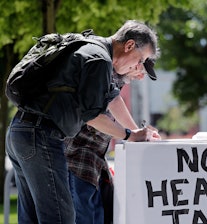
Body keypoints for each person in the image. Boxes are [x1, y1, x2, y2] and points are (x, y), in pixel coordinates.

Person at [6, 20, 159, 224]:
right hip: (42, 136)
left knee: (32, 217)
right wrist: (129, 136)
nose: (138, 67)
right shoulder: (99, 59)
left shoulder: (91, 45)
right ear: (129, 45)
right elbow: (93, 116)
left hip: (20, 132)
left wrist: (136, 131)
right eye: (140, 60)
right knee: (60, 218)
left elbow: (113, 99)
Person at [65, 60, 161, 224]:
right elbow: (95, 117)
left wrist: (138, 133)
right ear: (135, 62)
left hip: (93, 163)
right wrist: (133, 134)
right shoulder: (106, 76)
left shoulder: (115, 82)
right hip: (79, 160)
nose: (140, 77)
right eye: (141, 70)